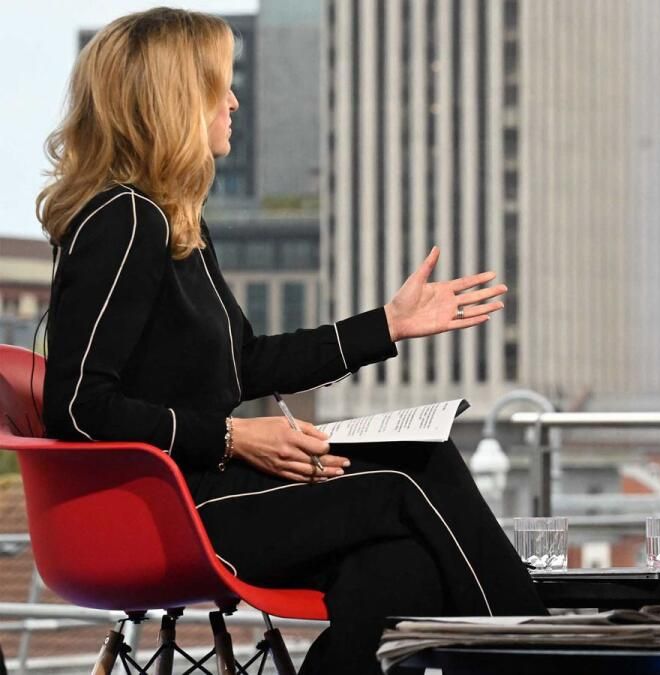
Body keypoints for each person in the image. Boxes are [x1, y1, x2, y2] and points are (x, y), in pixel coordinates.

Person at [36, 8, 543, 674]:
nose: (233, 102)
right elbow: (77, 408)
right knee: (411, 474)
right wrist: (231, 437)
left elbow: (244, 364)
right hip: (172, 509)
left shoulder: (174, 221)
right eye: (220, 85)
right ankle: (542, 657)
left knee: (399, 564)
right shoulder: (125, 220)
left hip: (209, 488)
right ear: (174, 98)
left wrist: (387, 324)